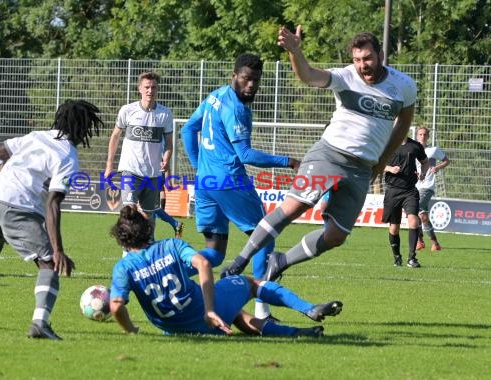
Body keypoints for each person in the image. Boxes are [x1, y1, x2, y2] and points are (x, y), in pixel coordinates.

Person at [221, 27, 418, 282]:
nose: (362, 65)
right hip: (328, 156)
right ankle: (240, 260)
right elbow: (308, 75)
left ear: (380, 54)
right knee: (295, 206)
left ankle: (281, 261)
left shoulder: (403, 86)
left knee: (337, 235)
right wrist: (295, 51)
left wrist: (380, 164)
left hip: (361, 169)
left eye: (367, 58)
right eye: (357, 59)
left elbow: (403, 124)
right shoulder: (346, 76)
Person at [0, 100, 103, 340]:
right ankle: (40, 323)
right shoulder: (68, 155)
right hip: (18, 206)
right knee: (48, 264)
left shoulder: (36, 136)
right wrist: (58, 250)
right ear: (82, 129)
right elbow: (52, 203)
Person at [181, 53, 300, 320]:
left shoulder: (215, 95)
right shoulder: (236, 108)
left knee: (214, 251)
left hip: (206, 183)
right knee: (265, 236)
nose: (251, 86)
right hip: (230, 181)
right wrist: (289, 161)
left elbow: (188, 130)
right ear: (234, 76)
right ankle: (262, 311)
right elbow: (245, 155)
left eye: (256, 80)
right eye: (246, 79)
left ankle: (170, 274)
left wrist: (200, 168)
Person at [109, 205, 343, 337]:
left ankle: (299, 333)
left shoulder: (123, 267)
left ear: (121, 239)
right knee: (251, 284)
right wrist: (209, 310)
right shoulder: (171, 245)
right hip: (202, 313)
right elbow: (202, 263)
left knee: (238, 315)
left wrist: (131, 330)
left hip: (175, 330)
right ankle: (309, 308)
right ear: (147, 230)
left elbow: (117, 305)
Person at [104, 71, 173, 247]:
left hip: (153, 173)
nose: (150, 90)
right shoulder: (128, 110)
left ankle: (147, 248)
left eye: (153, 87)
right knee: (129, 211)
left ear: (158, 89)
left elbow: (170, 144)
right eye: (147, 87)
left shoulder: (165, 114)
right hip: (131, 170)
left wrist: (166, 159)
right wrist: (109, 165)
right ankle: (128, 249)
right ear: (140, 89)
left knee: (148, 216)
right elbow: (115, 137)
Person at [382, 137, 428, 268]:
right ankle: (397, 257)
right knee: (394, 228)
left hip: (410, 191)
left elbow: (425, 162)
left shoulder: (415, 145)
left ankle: (412, 258)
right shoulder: (387, 143)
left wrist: (423, 173)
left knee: (414, 221)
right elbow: (377, 163)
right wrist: (390, 169)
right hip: (392, 191)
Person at [415, 126, 450, 251]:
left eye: (425, 134)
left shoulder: (433, 150)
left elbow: (446, 160)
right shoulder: (413, 150)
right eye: (420, 134)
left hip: (427, 186)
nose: (422, 137)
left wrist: (437, 167)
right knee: (421, 215)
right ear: (416, 136)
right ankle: (433, 243)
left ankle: (420, 241)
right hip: (415, 186)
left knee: (416, 208)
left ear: (428, 136)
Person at [154, 169, 185, 238]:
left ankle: (175, 223)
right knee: (151, 207)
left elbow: (165, 163)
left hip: (152, 176)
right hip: (150, 175)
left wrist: (168, 181)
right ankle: (175, 224)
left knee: (149, 206)